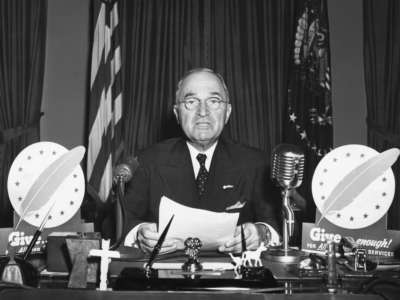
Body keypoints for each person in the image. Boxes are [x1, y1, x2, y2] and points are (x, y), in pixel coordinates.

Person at [123, 68, 280, 254]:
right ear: (177, 113)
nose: (203, 112)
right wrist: (139, 234)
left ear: (227, 112)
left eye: (214, 101)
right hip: (166, 277)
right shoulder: (148, 161)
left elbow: (276, 226)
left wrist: (261, 233)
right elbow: (123, 224)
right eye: (191, 102)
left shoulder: (256, 163)